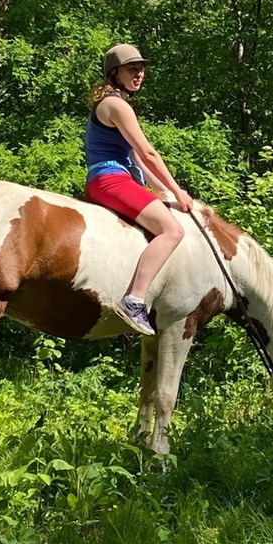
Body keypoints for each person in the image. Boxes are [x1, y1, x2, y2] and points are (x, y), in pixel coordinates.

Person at [82, 43, 194, 336]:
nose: (139, 74)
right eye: (133, 69)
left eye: (141, 69)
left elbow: (134, 158)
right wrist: (178, 191)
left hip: (110, 178)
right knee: (173, 231)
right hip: (111, 180)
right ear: (115, 73)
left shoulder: (112, 103)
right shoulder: (117, 105)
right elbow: (148, 154)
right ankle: (134, 300)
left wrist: (162, 191)